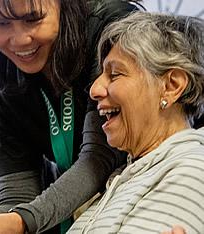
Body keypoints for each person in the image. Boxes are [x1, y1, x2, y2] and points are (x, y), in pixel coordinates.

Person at [0, 0, 142, 233]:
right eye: (1, 23)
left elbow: (99, 158)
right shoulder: (2, 74)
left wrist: (18, 220)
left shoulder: (108, 27)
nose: (20, 40)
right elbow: (18, 197)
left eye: (33, 19)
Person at [67, 11, 204, 233]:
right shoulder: (124, 177)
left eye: (115, 74)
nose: (94, 90)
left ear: (171, 86)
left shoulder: (190, 171)